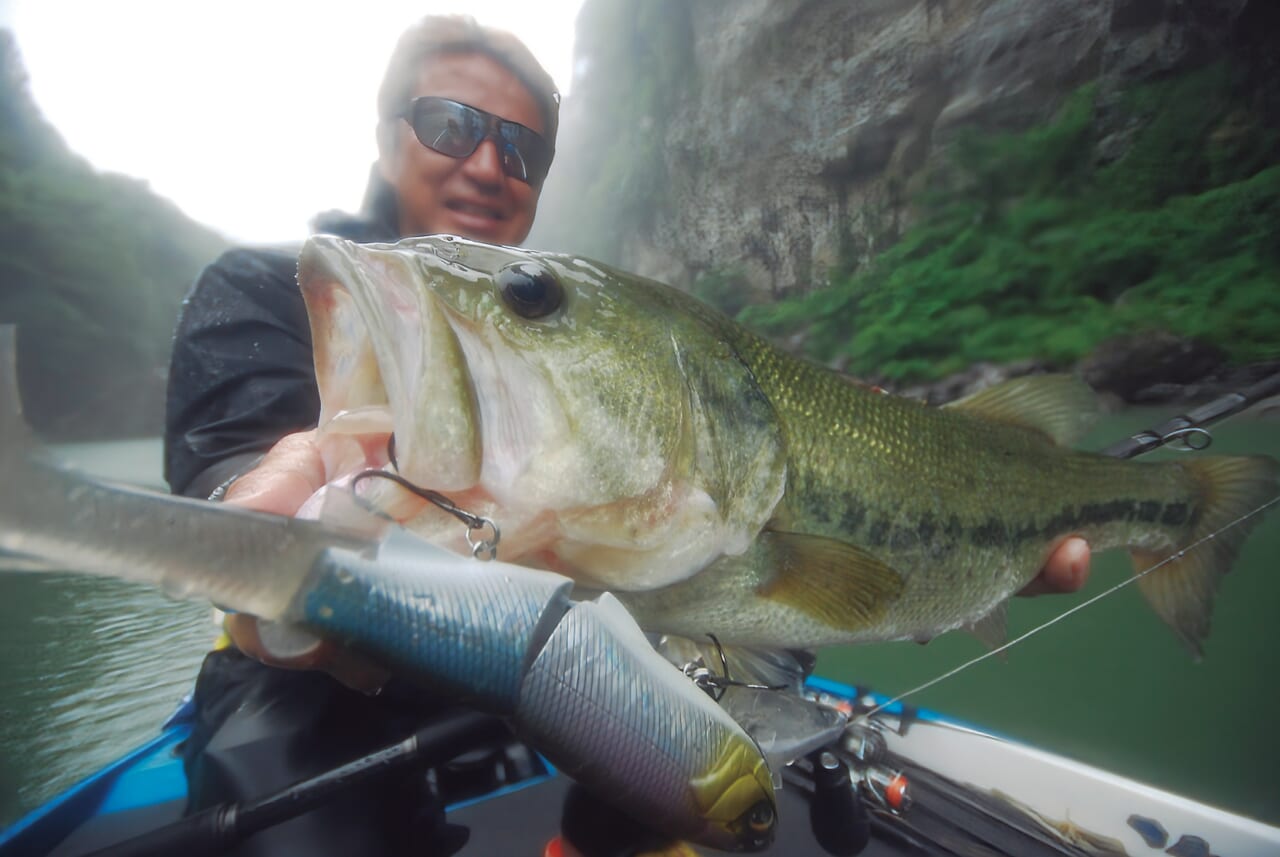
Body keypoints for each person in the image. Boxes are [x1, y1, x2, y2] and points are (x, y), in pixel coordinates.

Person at [164, 14, 1092, 856]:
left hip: (581, 644)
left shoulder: (631, 331)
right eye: (450, 123)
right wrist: (270, 516)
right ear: (386, 133)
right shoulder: (263, 288)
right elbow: (240, 465)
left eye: (521, 148)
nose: (488, 163)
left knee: (712, 683)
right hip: (315, 689)